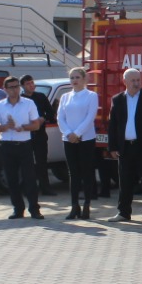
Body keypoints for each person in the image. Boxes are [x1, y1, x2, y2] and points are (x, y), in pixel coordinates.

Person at [106, 68, 142, 224]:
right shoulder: (117, 99)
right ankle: (123, 212)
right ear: (125, 81)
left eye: (138, 80)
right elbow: (113, 125)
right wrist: (112, 147)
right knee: (125, 181)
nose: (136, 83)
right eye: (133, 80)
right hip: (125, 147)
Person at [0, 76, 42, 220]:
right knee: (11, 179)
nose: (14, 90)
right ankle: (18, 209)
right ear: (5, 89)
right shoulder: (0, 105)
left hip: (24, 145)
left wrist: (22, 127)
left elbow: (36, 125)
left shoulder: (28, 103)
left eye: (16, 86)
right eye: (11, 87)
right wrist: (5, 126)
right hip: (7, 145)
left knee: (29, 178)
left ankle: (34, 209)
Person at [57, 67, 99, 220]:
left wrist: (78, 133)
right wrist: (69, 133)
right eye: (72, 78)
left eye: (77, 77)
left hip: (86, 139)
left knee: (86, 172)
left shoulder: (91, 95)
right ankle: (74, 206)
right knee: (73, 173)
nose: (74, 80)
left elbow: (90, 117)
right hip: (68, 139)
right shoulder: (65, 97)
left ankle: (87, 204)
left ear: (84, 79)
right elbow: (60, 117)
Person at [21, 74, 58, 196]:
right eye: (28, 84)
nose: (31, 85)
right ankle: (29, 188)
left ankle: (45, 188)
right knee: (27, 163)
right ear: (22, 86)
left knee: (42, 162)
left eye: (32, 83)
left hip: (40, 134)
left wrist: (43, 118)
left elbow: (51, 113)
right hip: (26, 135)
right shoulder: (20, 99)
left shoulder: (41, 97)